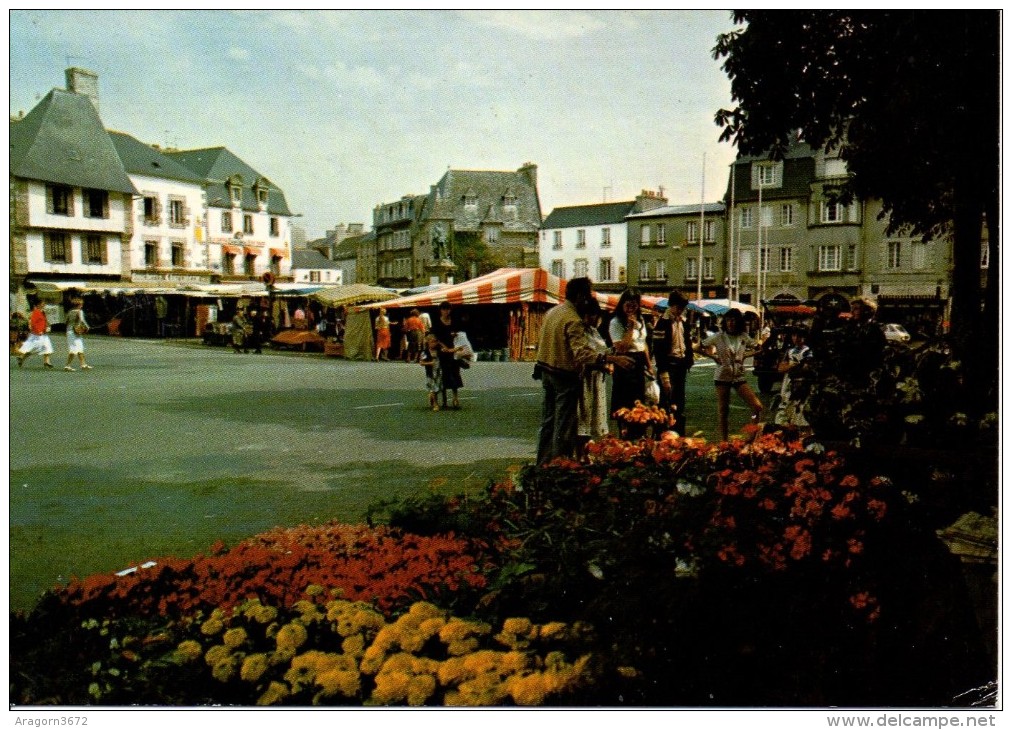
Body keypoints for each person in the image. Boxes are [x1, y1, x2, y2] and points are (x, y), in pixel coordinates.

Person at [535, 277, 634, 465]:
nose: (589, 299)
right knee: (563, 426)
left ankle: (543, 463)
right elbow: (581, 354)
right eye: (588, 295)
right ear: (580, 296)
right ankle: (559, 465)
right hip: (563, 376)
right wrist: (612, 358)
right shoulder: (573, 319)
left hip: (546, 372)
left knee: (548, 422)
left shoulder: (553, 312)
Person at [701, 308, 764, 442]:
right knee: (723, 411)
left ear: (738, 322)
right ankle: (724, 442)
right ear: (725, 322)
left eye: (734, 320)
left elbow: (759, 348)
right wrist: (712, 357)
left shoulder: (743, 336)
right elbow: (698, 347)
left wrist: (745, 355)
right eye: (728, 320)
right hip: (722, 376)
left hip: (739, 377)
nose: (731, 323)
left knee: (757, 406)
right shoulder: (718, 336)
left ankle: (751, 438)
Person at [608, 288, 654, 427]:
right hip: (625, 362)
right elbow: (621, 348)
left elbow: (643, 343)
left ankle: (638, 436)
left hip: (639, 362)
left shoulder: (640, 320)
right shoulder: (616, 322)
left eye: (634, 306)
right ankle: (625, 436)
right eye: (628, 305)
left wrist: (649, 365)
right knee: (625, 403)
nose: (631, 309)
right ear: (622, 305)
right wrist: (630, 328)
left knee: (639, 402)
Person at [653, 290, 695, 436]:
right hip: (668, 365)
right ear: (671, 305)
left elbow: (686, 342)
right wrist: (663, 373)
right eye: (678, 308)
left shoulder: (683, 322)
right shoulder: (662, 323)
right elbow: (658, 350)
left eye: (683, 308)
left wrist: (689, 359)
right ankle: (662, 436)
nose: (680, 311)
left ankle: (678, 435)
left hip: (681, 365)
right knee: (665, 402)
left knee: (679, 402)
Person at [576, 298, 610, 459]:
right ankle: (581, 456)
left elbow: (601, 351)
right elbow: (584, 357)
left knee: (592, 417)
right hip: (585, 380)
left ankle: (587, 454)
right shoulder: (581, 331)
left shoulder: (593, 331)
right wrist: (604, 363)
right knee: (584, 416)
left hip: (597, 380)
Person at [774, 326, 814, 428]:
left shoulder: (808, 351)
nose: (796, 338)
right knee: (784, 408)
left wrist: (792, 367)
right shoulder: (789, 351)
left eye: (799, 336)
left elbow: (806, 368)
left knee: (800, 410)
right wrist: (791, 366)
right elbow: (780, 368)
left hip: (801, 384)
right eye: (794, 335)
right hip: (787, 383)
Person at [429, 302, 465, 408]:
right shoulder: (436, 322)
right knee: (442, 375)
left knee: (455, 373)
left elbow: (459, 334)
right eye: (444, 309)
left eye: (448, 309)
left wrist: (455, 335)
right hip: (442, 351)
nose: (446, 311)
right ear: (441, 310)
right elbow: (435, 337)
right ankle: (443, 400)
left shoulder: (454, 321)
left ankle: (455, 398)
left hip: (453, 350)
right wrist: (443, 346)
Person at [16, 301, 55, 369]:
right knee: (35, 348)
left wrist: (47, 326)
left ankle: (47, 361)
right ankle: (22, 357)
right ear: (38, 305)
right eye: (42, 304)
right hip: (38, 334)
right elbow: (33, 323)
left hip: (43, 333)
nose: (44, 305)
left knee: (47, 346)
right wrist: (38, 331)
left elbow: (44, 321)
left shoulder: (42, 312)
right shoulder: (36, 312)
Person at [63, 298, 92, 371]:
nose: (82, 306)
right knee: (75, 349)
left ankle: (83, 364)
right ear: (79, 305)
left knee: (79, 348)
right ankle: (67, 365)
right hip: (76, 331)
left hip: (69, 331)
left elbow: (66, 322)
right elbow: (82, 320)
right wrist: (87, 327)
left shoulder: (70, 312)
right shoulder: (80, 311)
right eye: (81, 304)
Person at [418, 333, 444, 411]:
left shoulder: (439, 351)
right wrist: (430, 363)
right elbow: (421, 363)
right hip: (430, 374)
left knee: (438, 388)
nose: (434, 343)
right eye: (432, 342)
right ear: (428, 343)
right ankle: (436, 404)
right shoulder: (425, 352)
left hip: (438, 372)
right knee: (433, 388)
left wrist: (440, 343)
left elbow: (446, 349)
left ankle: (432, 397)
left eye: (435, 342)